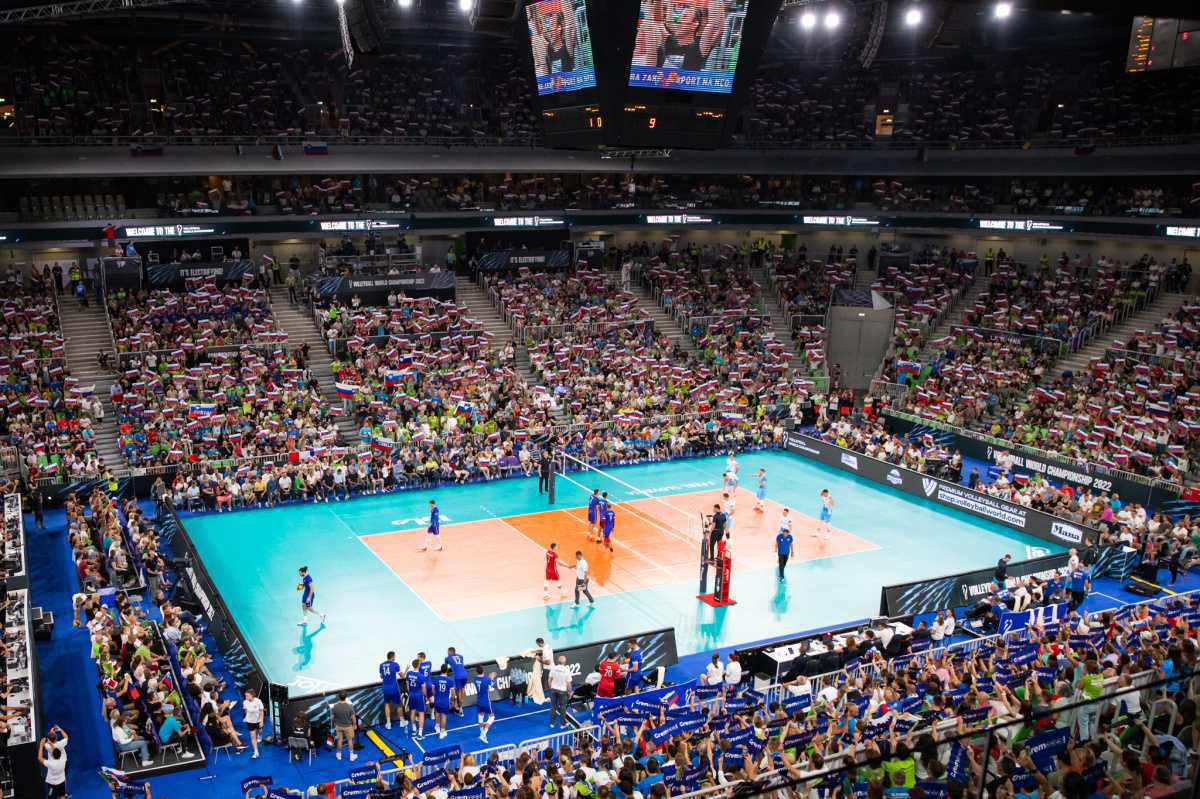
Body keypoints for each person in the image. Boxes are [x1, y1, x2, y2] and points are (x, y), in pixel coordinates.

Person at [37, 725, 68, 799]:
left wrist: (41, 745)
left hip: (52, 784)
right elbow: (65, 738)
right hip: (61, 781)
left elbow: (39, 758)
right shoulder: (63, 760)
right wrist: (60, 729)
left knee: (51, 797)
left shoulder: (50, 762)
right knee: (62, 796)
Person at [379, 651, 404, 730]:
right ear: (393, 657)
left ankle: (388, 723)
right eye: (395, 656)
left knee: (386, 704)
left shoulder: (381, 665)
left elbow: (381, 676)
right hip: (393, 688)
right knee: (399, 704)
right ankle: (402, 721)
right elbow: (402, 675)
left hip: (385, 688)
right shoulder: (395, 664)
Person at [330, 692, 357, 761]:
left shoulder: (335, 706)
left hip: (338, 726)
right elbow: (353, 717)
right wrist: (355, 725)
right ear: (346, 697)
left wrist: (334, 723)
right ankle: (351, 756)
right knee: (350, 740)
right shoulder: (349, 706)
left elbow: (332, 717)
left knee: (339, 740)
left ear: (339, 697)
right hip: (348, 726)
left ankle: (339, 755)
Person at [548, 655, 573, 728]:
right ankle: (562, 724)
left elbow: (549, 680)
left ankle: (552, 723)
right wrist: (570, 692)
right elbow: (568, 683)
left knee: (553, 707)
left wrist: (551, 688)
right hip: (562, 692)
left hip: (553, 690)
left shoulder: (553, 668)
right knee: (562, 708)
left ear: (558, 661)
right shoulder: (566, 670)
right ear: (564, 662)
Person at [405, 658, 426, 739]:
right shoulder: (421, 676)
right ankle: (420, 733)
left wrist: (410, 692)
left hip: (411, 695)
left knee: (412, 712)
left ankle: (414, 729)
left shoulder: (409, 673)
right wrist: (425, 696)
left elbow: (407, 686)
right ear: (418, 665)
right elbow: (423, 689)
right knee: (421, 714)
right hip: (419, 696)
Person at [473, 666, 496, 743]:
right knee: (492, 717)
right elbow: (493, 684)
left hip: (478, 701)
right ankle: (484, 734)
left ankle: (481, 732)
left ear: (477, 671)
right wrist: (492, 677)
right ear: (483, 670)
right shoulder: (487, 679)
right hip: (486, 701)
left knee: (480, 716)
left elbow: (483, 680)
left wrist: (489, 677)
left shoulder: (475, 679)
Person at [431, 665, 454, 739]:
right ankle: (442, 731)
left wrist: (436, 696)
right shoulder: (450, 680)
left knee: (437, 713)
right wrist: (452, 701)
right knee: (444, 716)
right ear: (447, 670)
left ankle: (437, 726)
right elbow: (453, 693)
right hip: (445, 701)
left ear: (441, 670)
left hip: (437, 700)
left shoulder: (436, 679)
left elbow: (433, 690)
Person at [445, 646, 468, 716]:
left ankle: (460, 709)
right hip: (465, 675)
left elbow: (445, 668)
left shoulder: (447, 658)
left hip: (458, 676)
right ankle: (459, 704)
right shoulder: (461, 656)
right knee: (462, 690)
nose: (447, 653)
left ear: (450, 652)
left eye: (448, 652)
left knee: (458, 693)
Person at [242, 689, 264, 759]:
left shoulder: (258, 701)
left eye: (247, 695)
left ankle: (260, 735)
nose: (245, 697)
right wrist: (246, 717)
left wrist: (261, 721)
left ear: (251, 695)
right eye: (245, 695)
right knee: (253, 737)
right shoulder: (245, 702)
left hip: (258, 721)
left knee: (260, 731)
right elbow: (245, 711)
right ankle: (256, 751)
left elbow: (261, 711)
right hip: (250, 722)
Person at [776, 509, 795, 580]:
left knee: (784, 547)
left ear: (787, 513)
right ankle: (779, 560)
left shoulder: (788, 519)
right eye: (783, 511)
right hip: (781, 531)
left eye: (785, 512)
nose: (784, 513)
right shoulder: (781, 517)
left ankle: (781, 566)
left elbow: (790, 526)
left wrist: (789, 533)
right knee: (780, 546)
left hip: (785, 532)